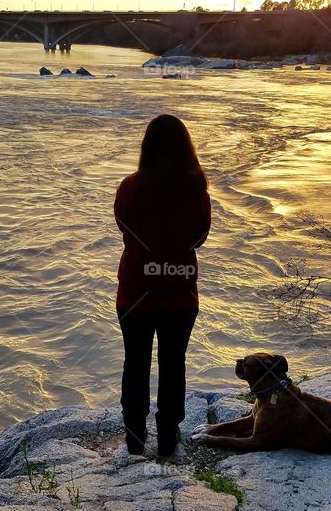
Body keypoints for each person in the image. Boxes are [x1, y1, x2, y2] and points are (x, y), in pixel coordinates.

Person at [114, 114, 212, 457]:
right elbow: (199, 239)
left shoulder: (130, 186)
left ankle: (134, 442)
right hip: (180, 296)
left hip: (134, 295)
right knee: (174, 364)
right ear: (187, 148)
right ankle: (168, 440)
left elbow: (123, 225)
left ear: (147, 147)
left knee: (135, 363)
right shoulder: (196, 188)